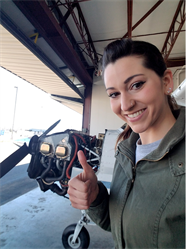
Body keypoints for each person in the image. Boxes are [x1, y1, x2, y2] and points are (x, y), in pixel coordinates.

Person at [68, 39, 185, 249]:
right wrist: (96, 197)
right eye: (114, 94)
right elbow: (119, 227)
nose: (125, 105)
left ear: (167, 81)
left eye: (136, 85)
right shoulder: (125, 150)